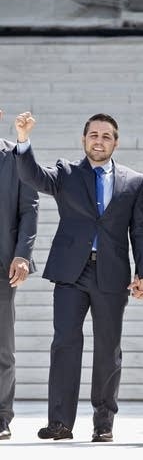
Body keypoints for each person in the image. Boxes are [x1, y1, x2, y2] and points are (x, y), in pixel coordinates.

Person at [13, 111, 143, 442]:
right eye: (94, 135)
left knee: (108, 348)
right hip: (71, 272)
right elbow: (32, 175)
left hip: (111, 273)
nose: (99, 141)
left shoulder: (134, 182)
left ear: (115, 143)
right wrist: (23, 138)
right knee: (64, 343)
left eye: (106, 136)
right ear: (84, 139)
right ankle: (60, 422)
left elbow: (142, 230)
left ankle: (103, 422)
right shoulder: (66, 173)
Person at [0, 109, 39, 441]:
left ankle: (1, 416)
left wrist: (22, 255)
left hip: (1, 267)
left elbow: (29, 207)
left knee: (2, 347)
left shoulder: (14, 157)